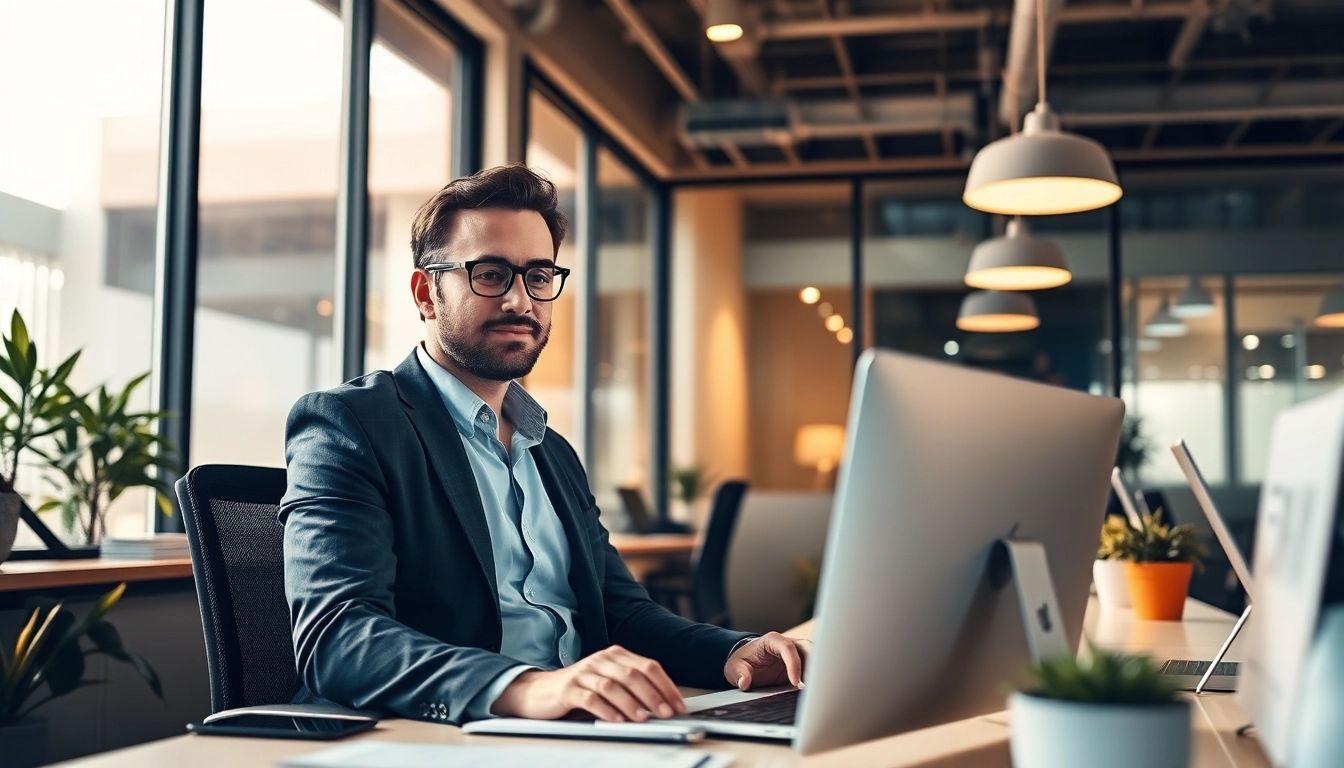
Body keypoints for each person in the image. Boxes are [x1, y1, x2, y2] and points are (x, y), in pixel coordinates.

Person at [281, 164, 808, 725]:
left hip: (577, 736)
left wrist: (732, 655)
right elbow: (339, 637)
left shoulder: (551, 451)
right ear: (425, 293)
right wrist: (527, 688)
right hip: (443, 736)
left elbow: (619, 613)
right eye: (490, 274)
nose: (520, 301)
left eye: (538, 276)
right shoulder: (349, 424)